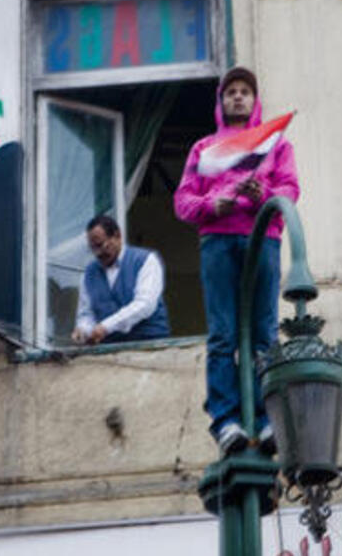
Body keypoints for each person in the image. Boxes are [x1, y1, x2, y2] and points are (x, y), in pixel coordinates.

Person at [174, 66, 300, 457]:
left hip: (264, 239)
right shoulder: (204, 148)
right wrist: (213, 204)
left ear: (255, 99)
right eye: (231, 92)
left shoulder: (276, 144)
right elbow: (183, 202)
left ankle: (266, 421)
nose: (238, 97)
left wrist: (260, 193)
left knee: (264, 333)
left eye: (245, 91)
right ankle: (226, 421)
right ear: (221, 101)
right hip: (218, 241)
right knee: (223, 335)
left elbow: (289, 190)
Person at [71, 215, 171, 345]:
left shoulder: (145, 260)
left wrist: (106, 326)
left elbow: (145, 304)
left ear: (117, 236)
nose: (98, 253)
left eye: (101, 245)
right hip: (110, 349)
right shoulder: (89, 274)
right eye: (93, 249)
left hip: (149, 343)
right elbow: (86, 313)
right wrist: (83, 330)